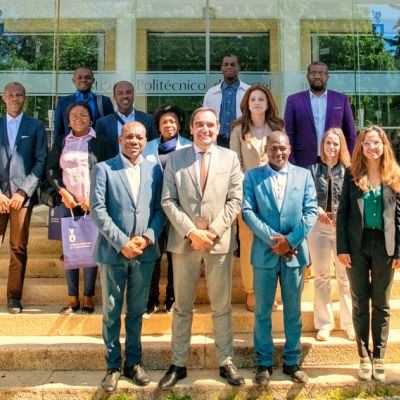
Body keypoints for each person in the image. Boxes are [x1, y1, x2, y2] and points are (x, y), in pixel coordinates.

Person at [159, 107, 244, 388]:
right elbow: (168, 200)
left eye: (210, 125)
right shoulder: (176, 158)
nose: (205, 129)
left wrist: (213, 232)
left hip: (218, 243)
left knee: (221, 306)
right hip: (185, 243)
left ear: (217, 128)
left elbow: (235, 200)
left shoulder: (230, 158)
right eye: (199, 125)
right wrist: (192, 231)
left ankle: (226, 361)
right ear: (191, 128)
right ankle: (178, 363)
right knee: (182, 306)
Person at [90, 121, 164, 393]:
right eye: (129, 136)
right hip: (113, 252)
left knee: (136, 311)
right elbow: (98, 210)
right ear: (120, 140)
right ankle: (112, 366)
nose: (134, 141)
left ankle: (134, 362)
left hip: (144, 253)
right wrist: (122, 242)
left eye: (140, 137)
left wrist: (147, 237)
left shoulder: (154, 169)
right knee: (111, 312)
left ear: (146, 141)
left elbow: (160, 208)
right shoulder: (104, 169)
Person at [242, 131, 318, 384]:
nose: (278, 152)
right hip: (265, 253)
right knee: (262, 311)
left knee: (293, 312)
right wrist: (275, 241)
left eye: (282, 148)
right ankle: (263, 363)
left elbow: (310, 212)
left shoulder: (304, 176)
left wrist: (291, 241)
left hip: (295, 255)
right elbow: (248, 211)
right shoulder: (252, 176)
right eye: (273, 148)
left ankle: (292, 362)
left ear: (289, 149)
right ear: (266, 149)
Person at [337, 125, 400, 382]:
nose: (372, 147)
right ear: (360, 147)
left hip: (385, 246)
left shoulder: (394, 174)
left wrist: (398, 250)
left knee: (382, 304)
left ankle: (380, 357)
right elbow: (342, 213)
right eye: (366, 143)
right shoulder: (352, 174)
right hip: (357, 246)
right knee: (360, 301)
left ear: (384, 145)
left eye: (376, 142)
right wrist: (342, 248)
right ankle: (364, 356)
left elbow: (399, 215)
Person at [46, 101, 113, 314]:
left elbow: (110, 170)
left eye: (83, 115)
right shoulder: (61, 141)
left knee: (91, 249)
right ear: (68, 121)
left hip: (92, 204)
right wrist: (62, 192)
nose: (78, 119)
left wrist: (93, 197)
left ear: (90, 119)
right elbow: (50, 169)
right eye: (74, 116)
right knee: (71, 250)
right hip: (68, 204)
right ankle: (72, 297)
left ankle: (88, 296)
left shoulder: (101, 141)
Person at [230, 85, 284, 312]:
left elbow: (283, 159)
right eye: (253, 99)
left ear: (268, 102)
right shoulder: (238, 129)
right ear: (247, 103)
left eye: (261, 99)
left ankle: (272, 291)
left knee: (273, 242)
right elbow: (235, 164)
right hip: (248, 195)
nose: (257, 103)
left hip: (275, 195)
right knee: (249, 244)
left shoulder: (278, 127)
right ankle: (251, 290)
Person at [0, 82, 47, 314]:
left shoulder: (35, 126)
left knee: (18, 248)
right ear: (3, 98)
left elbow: (41, 160)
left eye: (19, 95)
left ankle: (14, 298)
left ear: (25, 98)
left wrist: (23, 191)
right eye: (11, 94)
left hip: (22, 198)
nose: (15, 98)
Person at [143, 104, 192, 315]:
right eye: (164, 121)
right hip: (153, 207)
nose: (168, 124)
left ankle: (172, 297)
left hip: (178, 208)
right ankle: (151, 297)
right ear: (158, 126)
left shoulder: (189, 147)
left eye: (172, 121)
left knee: (175, 254)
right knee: (153, 252)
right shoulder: (147, 147)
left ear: (179, 125)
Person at [308, 128, 354, 341]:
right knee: (321, 276)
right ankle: (324, 324)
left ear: (341, 146)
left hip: (342, 230)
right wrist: (316, 209)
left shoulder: (349, 171)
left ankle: (349, 324)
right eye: (328, 143)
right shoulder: (312, 170)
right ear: (323, 145)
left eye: (336, 143)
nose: (332, 147)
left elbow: (354, 201)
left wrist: (342, 217)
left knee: (345, 277)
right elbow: (306, 196)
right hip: (318, 229)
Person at [284, 61, 356, 167]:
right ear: (308, 77)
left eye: (321, 73)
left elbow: (351, 134)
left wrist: (348, 160)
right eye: (313, 73)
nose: (317, 76)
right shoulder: (293, 100)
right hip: (303, 161)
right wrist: (291, 161)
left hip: (335, 159)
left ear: (327, 77)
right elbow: (289, 134)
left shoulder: (341, 100)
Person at [95, 80, 158, 156]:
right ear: (114, 97)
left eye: (128, 92)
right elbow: (99, 153)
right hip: (112, 164)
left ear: (133, 95)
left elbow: (154, 148)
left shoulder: (148, 120)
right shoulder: (102, 123)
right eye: (120, 93)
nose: (125, 96)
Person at [203, 54, 250, 148]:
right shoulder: (211, 93)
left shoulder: (249, 92)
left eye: (232, 64)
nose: (229, 67)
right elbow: (205, 119)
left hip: (241, 140)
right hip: (218, 142)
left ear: (239, 68)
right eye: (226, 64)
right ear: (221, 68)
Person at [53, 66, 114, 138]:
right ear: (73, 80)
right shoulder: (63, 102)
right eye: (79, 77)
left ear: (93, 80)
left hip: (98, 144)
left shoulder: (104, 101)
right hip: (71, 144)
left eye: (87, 77)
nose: (83, 80)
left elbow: (111, 128)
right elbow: (58, 130)